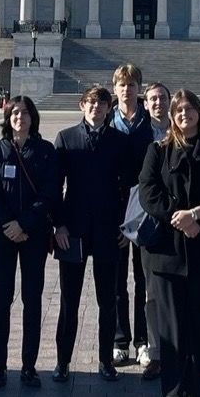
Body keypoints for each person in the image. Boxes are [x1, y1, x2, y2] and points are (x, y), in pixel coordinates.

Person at [141, 90, 200, 397]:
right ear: (172, 115)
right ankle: (174, 391)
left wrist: (197, 213)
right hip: (168, 252)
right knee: (171, 331)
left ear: (199, 112)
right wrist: (178, 217)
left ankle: (198, 391)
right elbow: (147, 192)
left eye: (189, 109)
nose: (184, 114)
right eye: (179, 110)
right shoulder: (159, 149)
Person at [53, 84, 134, 382]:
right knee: (68, 301)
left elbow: (129, 188)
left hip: (108, 231)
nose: (96, 107)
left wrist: (127, 226)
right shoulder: (65, 138)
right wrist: (58, 224)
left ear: (108, 108)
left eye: (102, 103)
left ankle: (105, 361)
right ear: (81, 105)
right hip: (72, 231)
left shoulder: (119, 141)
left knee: (108, 300)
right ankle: (62, 362)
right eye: (91, 102)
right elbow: (55, 187)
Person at [0, 95, 61, 389]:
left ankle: (29, 365)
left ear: (33, 118)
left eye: (25, 113)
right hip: (3, 235)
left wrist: (25, 224)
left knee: (32, 299)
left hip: (34, 234)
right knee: (1, 298)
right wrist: (9, 224)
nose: (20, 118)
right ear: (8, 117)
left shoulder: (46, 150)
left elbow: (51, 192)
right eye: (15, 113)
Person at [109, 64, 155, 371]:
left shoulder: (151, 123)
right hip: (113, 210)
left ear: (140, 89)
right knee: (115, 280)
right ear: (115, 89)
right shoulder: (104, 120)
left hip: (144, 211)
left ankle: (142, 341)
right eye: (122, 85)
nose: (127, 89)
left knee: (143, 279)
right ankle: (118, 339)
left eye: (132, 84)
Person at [136, 80, 172, 382]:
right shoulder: (137, 135)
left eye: (162, 98)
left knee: (180, 289)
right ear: (145, 103)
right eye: (152, 99)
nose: (158, 103)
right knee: (150, 290)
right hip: (151, 223)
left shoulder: (186, 127)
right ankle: (156, 351)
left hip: (180, 225)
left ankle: (181, 349)